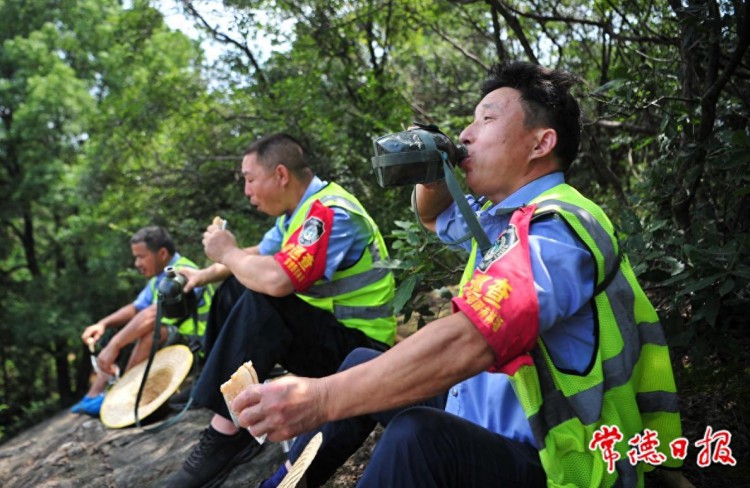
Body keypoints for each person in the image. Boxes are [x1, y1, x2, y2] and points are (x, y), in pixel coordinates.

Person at [234, 62, 685, 488]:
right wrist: (435, 171)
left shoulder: (560, 226)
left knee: (420, 437)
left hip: (559, 458)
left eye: (486, 119)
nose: (466, 133)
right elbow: (434, 218)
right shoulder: (499, 216)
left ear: (540, 143)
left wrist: (320, 398)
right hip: (497, 421)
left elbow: (475, 337)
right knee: (359, 364)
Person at [165, 133, 397, 487]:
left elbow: (278, 282)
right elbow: (257, 254)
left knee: (264, 297)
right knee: (235, 285)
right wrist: (205, 274)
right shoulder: (296, 213)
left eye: (249, 178)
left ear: (281, 175)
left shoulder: (330, 211)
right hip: (333, 339)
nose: (246, 190)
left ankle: (227, 431)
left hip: (362, 352)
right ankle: (227, 403)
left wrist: (227, 251)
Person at [71, 226, 213, 416]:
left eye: (141, 256)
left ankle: (120, 396)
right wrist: (103, 324)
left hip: (204, 346)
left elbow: (154, 313)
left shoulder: (182, 273)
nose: (137, 263)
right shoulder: (158, 279)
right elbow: (136, 308)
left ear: (162, 253)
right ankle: (93, 395)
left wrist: (115, 346)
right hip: (185, 346)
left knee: (152, 331)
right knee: (121, 328)